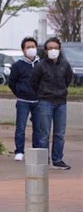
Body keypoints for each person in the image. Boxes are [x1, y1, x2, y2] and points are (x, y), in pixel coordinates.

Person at [30, 37, 73, 170]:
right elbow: (33, 82)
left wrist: (61, 91)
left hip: (61, 102)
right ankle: (43, 160)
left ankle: (57, 159)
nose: (53, 50)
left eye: (55, 48)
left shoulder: (65, 65)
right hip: (45, 102)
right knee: (44, 133)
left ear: (60, 49)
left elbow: (68, 79)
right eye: (50, 48)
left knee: (60, 133)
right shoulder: (40, 65)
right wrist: (42, 94)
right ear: (46, 50)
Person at [8, 37, 40, 161]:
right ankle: (19, 151)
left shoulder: (40, 64)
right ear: (23, 50)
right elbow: (12, 83)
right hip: (23, 101)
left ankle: (36, 150)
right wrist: (20, 93)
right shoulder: (17, 65)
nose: (31, 49)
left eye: (33, 46)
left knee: (38, 127)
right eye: (28, 47)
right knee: (20, 127)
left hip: (38, 101)